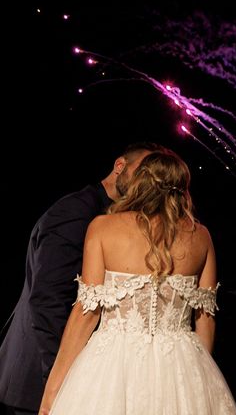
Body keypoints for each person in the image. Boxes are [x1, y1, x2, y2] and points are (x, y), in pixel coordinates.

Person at [39, 150, 236, 414]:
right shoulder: (201, 236)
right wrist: (199, 381)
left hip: (112, 364)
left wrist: (52, 391)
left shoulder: (102, 228)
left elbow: (85, 314)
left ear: (141, 182)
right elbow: (205, 318)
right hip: (179, 363)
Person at [0, 142, 163, 415]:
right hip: (39, 379)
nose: (149, 182)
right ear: (119, 166)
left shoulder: (115, 218)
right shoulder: (77, 212)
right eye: (143, 171)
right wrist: (62, 378)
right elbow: (48, 299)